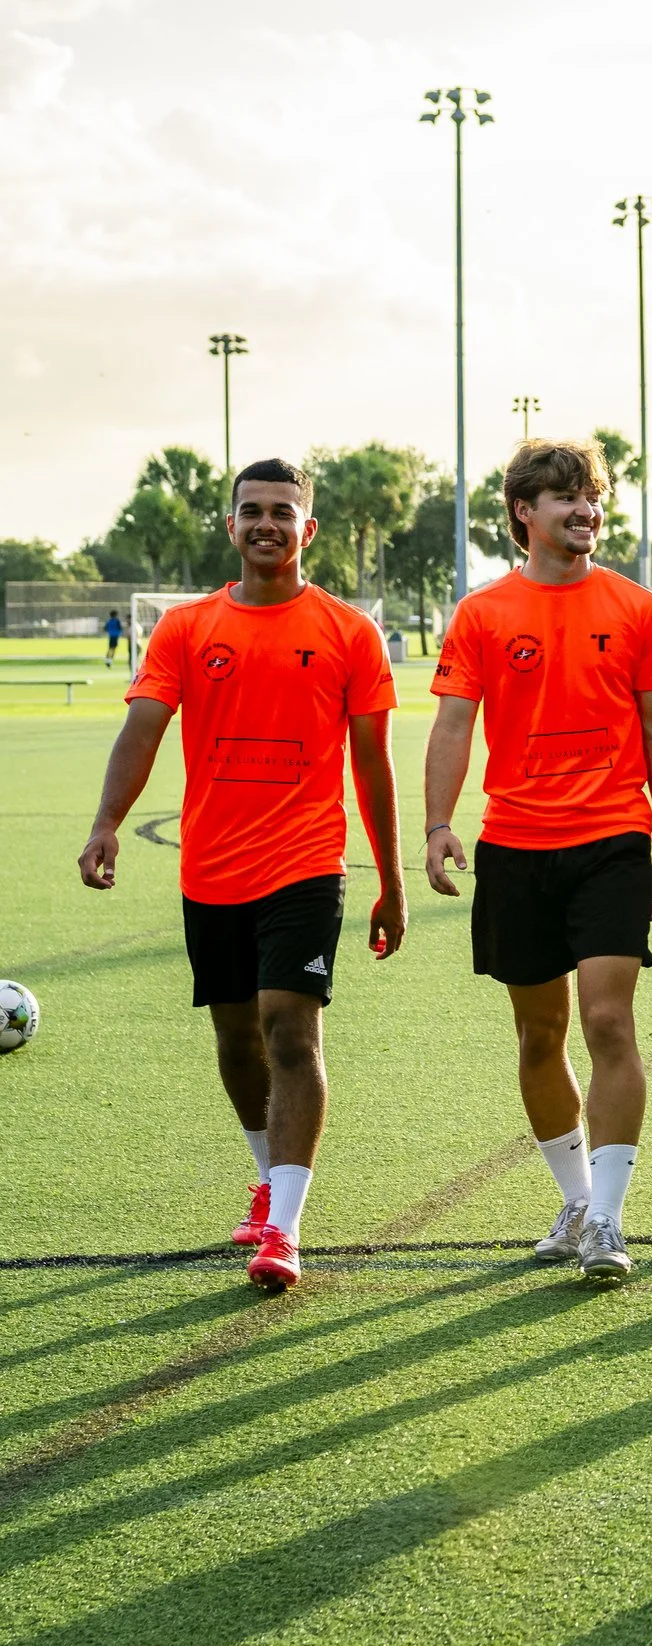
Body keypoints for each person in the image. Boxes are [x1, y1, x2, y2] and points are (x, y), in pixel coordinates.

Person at [77, 458, 404, 1293]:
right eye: (252, 511)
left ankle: (285, 1229)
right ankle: (267, 1178)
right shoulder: (187, 629)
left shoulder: (348, 632)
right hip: (213, 869)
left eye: (282, 512)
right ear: (231, 526)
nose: (267, 524)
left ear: (308, 529)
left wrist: (391, 879)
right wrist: (106, 822)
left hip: (306, 861)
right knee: (236, 1041)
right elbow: (143, 731)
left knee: (290, 1029)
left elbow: (373, 765)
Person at [423, 438, 652, 1284]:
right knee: (540, 1034)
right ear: (524, 513)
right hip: (515, 846)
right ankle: (575, 1201)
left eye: (592, 496)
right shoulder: (483, 614)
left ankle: (608, 1219)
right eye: (566, 497)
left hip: (611, 838)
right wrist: (437, 823)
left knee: (608, 1021)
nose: (585, 510)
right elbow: (454, 724)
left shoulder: (636, 607)